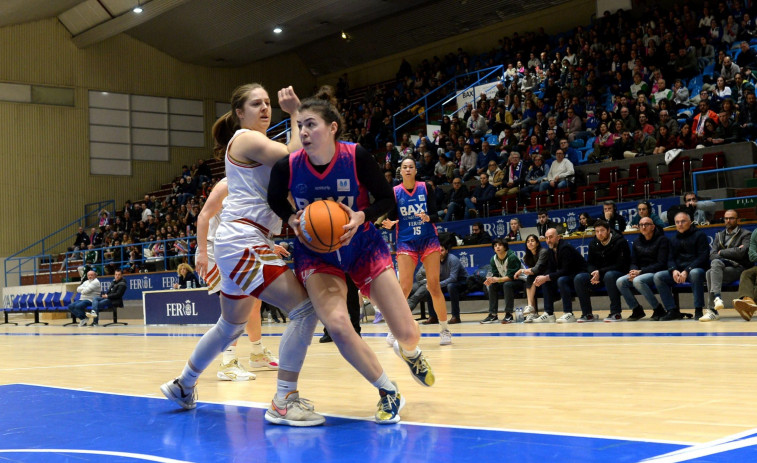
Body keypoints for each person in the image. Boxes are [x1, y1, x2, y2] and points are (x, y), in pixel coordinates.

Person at [161, 83, 325, 427]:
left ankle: (183, 385)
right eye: (256, 104)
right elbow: (294, 159)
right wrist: (296, 112)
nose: (265, 108)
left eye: (267, 103)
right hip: (243, 238)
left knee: (229, 325)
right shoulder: (246, 139)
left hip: (242, 239)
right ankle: (284, 401)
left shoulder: (257, 144)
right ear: (240, 113)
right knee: (305, 310)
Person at [267, 91, 435, 425]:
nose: (303, 132)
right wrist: (291, 219)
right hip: (317, 255)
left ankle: (410, 351)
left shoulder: (355, 155)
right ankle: (388, 391)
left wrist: (362, 216)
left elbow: (387, 199)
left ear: (332, 128)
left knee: (408, 332)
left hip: (362, 246)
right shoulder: (288, 164)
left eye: (310, 125)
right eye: (299, 126)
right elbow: (274, 198)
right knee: (339, 324)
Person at [194, 178, 279, 383]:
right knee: (236, 306)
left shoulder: (256, 184)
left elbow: (247, 226)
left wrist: (269, 248)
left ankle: (258, 353)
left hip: (239, 248)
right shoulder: (227, 184)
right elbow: (203, 216)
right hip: (216, 249)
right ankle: (228, 362)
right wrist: (203, 251)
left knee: (254, 303)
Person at [382, 158, 452, 346]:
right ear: (401, 171)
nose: (407, 169)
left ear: (415, 170)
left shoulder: (425, 187)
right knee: (403, 288)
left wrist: (429, 217)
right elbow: (392, 219)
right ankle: (393, 329)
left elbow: (436, 214)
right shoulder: (395, 192)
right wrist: (389, 225)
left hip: (428, 239)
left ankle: (444, 329)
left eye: (411, 166)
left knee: (434, 286)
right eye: (404, 167)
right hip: (406, 241)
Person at [570, 220, 630, 323]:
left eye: (602, 231)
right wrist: (593, 272)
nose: (599, 234)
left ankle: (616, 313)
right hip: (599, 275)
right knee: (579, 278)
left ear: (608, 230)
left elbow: (621, 264)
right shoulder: (593, 243)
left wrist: (600, 272)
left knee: (609, 275)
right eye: (597, 231)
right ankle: (587, 314)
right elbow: (589, 263)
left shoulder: (620, 241)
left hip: (617, 273)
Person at [653, 211, 709, 321]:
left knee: (695, 273)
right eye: (677, 222)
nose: (680, 224)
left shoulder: (700, 235)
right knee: (658, 276)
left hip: (696, 270)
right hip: (679, 272)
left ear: (690, 222)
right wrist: (674, 270)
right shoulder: (673, 239)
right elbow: (670, 259)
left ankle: (698, 309)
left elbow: (703, 257)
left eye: (683, 221)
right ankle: (672, 310)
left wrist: (687, 270)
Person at [616, 217, 670, 321]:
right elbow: (634, 261)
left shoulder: (662, 240)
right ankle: (636, 310)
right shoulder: (637, 241)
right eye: (641, 225)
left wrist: (640, 272)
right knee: (620, 281)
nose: (643, 227)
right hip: (640, 272)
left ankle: (658, 309)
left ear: (653, 227)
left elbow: (661, 263)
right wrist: (633, 271)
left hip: (656, 272)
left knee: (638, 281)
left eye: (647, 224)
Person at [702, 210, 751, 321]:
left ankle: (713, 309)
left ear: (738, 220)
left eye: (731, 218)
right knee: (711, 269)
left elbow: (742, 253)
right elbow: (712, 255)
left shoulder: (746, 234)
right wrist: (733, 251)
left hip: (738, 269)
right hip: (722, 268)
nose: (728, 221)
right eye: (726, 218)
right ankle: (717, 299)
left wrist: (722, 252)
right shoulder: (719, 235)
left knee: (711, 271)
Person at [533, 228, 587, 323]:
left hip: (578, 275)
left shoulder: (565, 248)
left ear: (558, 237)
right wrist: (542, 278)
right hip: (567, 275)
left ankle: (568, 313)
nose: (548, 240)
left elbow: (566, 270)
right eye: (546, 238)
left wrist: (546, 277)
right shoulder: (550, 249)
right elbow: (550, 269)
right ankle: (549, 314)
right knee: (546, 281)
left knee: (561, 280)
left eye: (551, 237)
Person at [481, 239, 523, 324]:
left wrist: (498, 279)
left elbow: (512, 277)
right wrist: (491, 280)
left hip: (520, 281)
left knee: (507, 285)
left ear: (505, 247)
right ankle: (493, 315)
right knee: (492, 286)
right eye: (495, 246)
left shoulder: (512, 257)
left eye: (500, 245)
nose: (497, 247)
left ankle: (509, 314)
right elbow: (496, 274)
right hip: (505, 281)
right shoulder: (493, 259)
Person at [733, 226, 757, 321]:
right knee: (746, 273)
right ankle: (747, 301)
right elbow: (752, 256)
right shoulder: (756, 232)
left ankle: (748, 308)